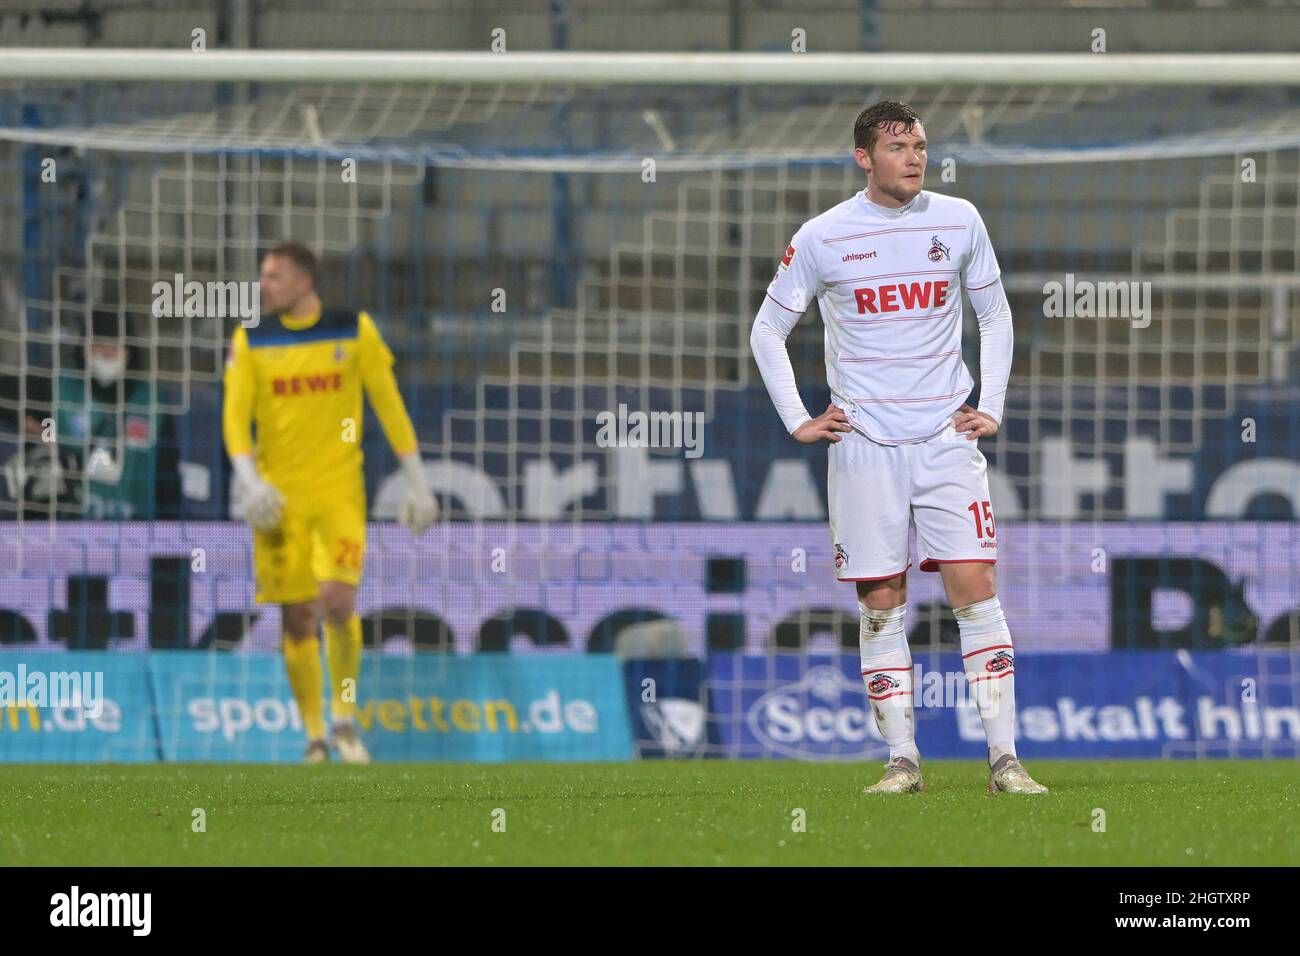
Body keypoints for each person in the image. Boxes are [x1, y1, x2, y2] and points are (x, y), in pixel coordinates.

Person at [749, 101, 1046, 795]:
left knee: (975, 588)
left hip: (946, 440)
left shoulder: (959, 219)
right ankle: (902, 761)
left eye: (919, 145)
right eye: (897, 146)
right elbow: (767, 331)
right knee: (882, 600)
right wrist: (797, 418)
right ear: (864, 157)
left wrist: (992, 406)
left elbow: (996, 316)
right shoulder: (824, 237)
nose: (914, 157)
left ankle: (1005, 760)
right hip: (865, 448)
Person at [222, 241, 438, 764]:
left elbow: (388, 403)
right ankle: (315, 736)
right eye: (263, 276)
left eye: (273, 277)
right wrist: (248, 480)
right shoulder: (252, 339)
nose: (263, 285)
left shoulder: (354, 330)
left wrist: (417, 479)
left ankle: (344, 720)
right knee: (297, 618)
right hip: (278, 501)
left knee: (338, 603)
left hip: (340, 492)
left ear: (303, 281)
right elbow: (234, 417)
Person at [55, 310, 182, 520]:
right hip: (70, 533)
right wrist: (43, 436)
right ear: (84, 349)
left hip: (135, 535)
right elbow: (17, 401)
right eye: (98, 346)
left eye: (114, 347)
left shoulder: (151, 402)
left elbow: (168, 481)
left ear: (128, 352)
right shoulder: (61, 389)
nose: (106, 354)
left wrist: (166, 546)